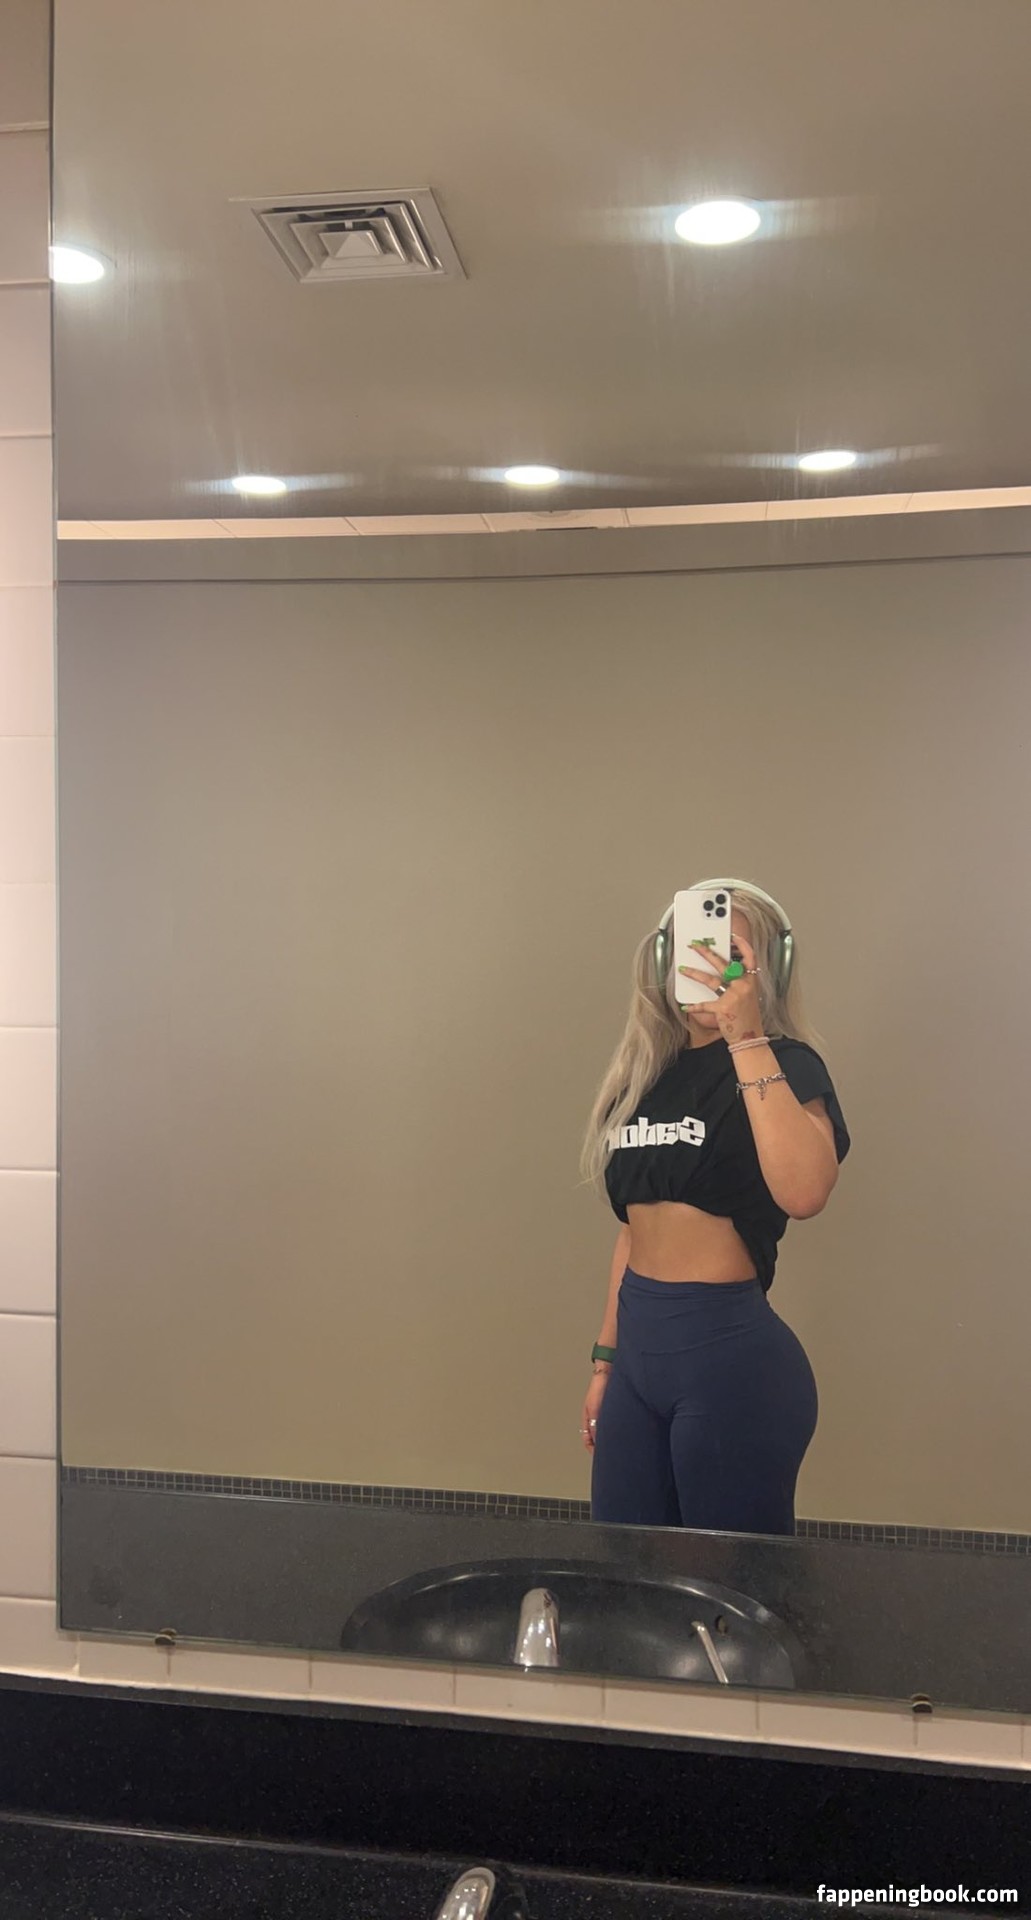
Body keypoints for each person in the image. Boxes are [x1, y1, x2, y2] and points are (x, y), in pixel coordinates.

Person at [578, 880, 850, 1538]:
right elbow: (633, 1231)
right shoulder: (645, 1079)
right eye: (693, 950)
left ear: (766, 969)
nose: (708, 968)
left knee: (733, 1582)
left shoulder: (787, 1065)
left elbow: (804, 1193)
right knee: (624, 1569)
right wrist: (605, 1362)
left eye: (730, 955)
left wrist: (746, 1037)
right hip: (637, 1362)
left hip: (729, 1365)